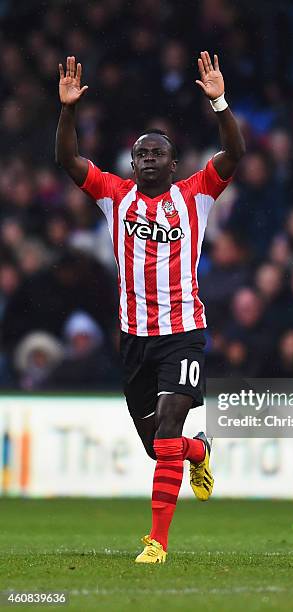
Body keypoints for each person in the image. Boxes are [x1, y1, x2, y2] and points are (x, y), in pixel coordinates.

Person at [55, 53, 245, 564]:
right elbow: (69, 162)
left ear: (173, 162)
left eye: (157, 153)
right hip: (133, 337)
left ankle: (156, 543)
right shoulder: (115, 197)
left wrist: (219, 102)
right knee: (159, 447)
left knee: (165, 433)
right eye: (140, 154)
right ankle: (199, 451)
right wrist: (68, 112)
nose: (147, 160)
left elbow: (234, 152)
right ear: (132, 163)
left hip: (183, 331)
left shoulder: (197, 194)